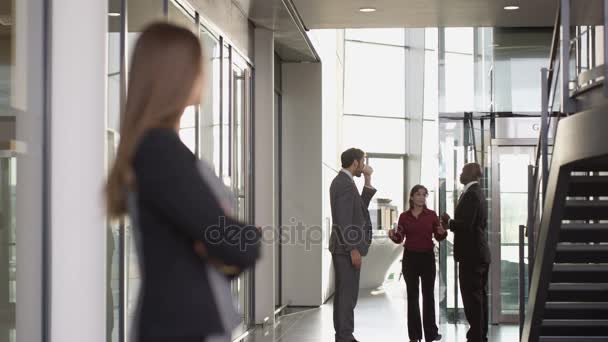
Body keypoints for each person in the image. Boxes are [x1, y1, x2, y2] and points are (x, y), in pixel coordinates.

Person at [105, 23, 261, 342]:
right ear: (177, 74)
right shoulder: (160, 150)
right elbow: (231, 241)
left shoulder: (157, 147)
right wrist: (244, 236)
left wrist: (220, 238)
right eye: (197, 64)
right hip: (181, 328)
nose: (202, 74)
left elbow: (216, 236)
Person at [329, 148, 376, 342]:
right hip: (346, 248)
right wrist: (353, 248)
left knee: (345, 295)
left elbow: (360, 209)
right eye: (362, 162)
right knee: (347, 295)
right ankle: (345, 337)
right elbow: (343, 219)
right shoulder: (344, 183)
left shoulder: (346, 182)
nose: (364, 166)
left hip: (345, 247)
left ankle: (344, 335)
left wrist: (367, 181)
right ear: (355, 163)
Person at [441, 163, 491, 342]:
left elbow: (466, 225)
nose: (460, 174)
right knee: (479, 299)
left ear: (471, 173)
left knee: (472, 300)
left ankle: (476, 337)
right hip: (478, 254)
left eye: (463, 171)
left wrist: (449, 222)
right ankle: (480, 335)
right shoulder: (476, 192)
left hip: (472, 256)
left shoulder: (471, 194)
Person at [389, 185, 446, 342]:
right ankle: (414, 336)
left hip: (427, 258)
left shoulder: (432, 215)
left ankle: (431, 333)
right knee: (412, 296)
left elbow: (439, 235)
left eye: (424, 195)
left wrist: (443, 233)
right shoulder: (404, 217)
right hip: (410, 259)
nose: (421, 197)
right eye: (418, 194)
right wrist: (393, 235)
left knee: (428, 296)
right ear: (412, 197)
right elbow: (399, 238)